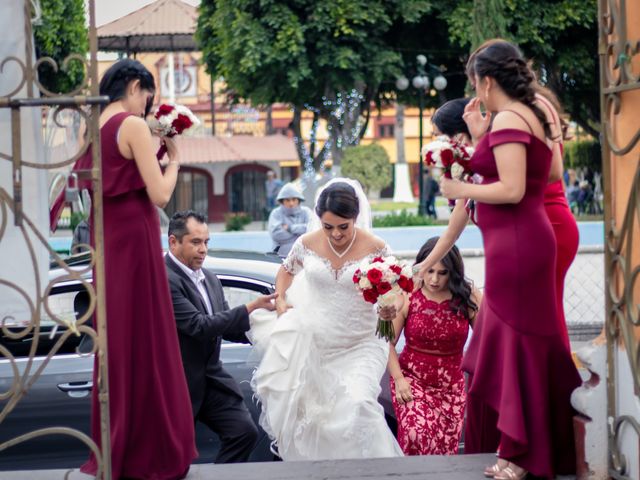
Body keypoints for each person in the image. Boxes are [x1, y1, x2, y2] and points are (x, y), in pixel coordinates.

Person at [436, 40, 581, 479]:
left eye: (473, 80)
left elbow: (513, 189)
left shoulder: (512, 117)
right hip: (525, 241)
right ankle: (551, 447)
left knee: (518, 346)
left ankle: (518, 456)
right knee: (534, 344)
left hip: (517, 246)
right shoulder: (532, 112)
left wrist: (460, 189)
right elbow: (552, 172)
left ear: (485, 80)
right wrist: (482, 138)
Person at [50, 59, 197, 479]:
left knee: (118, 346)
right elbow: (161, 195)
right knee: (147, 343)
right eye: (146, 93)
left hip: (107, 245)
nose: (148, 103)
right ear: (134, 86)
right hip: (134, 242)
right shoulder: (131, 126)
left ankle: (117, 450)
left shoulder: (91, 128)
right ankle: (151, 452)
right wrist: (175, 159)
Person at [248, 179, 404, 460]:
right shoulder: (306, 243)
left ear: (355, 218)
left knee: (359, 405)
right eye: (328, 227)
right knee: (318, 421)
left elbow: (396, 289)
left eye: (343, 227)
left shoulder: (377, 248)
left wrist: (390, 307)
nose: (335, 234)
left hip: (362, 344)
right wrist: (281, 297)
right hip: (317, 344)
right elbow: (286, 271)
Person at [165, 210, 278, 463]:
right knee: (171, 458)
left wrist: (270, 329)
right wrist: (251, 307)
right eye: (195, 242)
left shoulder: (210, 279)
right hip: (175, 385)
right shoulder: (164, 279)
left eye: (206, 242)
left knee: (243, 433)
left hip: (211, 382)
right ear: (174, 242)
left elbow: (226, 326)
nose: (203, 249)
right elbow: (198, 326)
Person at [388, 237, 480, 456]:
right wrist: (399, 379)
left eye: (442, 273)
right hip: (411, 381)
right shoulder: (408, 294)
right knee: (415, 434)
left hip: (451, 388)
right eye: (430, 271)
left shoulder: (467, 297)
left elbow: (489, 338)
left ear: (453, 272)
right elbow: (386, 342)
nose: (434, 279)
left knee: (442, 452)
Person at [268, 183, 313, 257]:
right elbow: (276, 234)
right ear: (282, 201)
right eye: (287, 200)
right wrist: (300, 234)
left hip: (304, 257)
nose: (291, 203)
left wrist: (290, 228)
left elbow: (312, 230)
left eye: (294, 199)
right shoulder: (276, 213)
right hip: (281, 257)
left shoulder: (306, 212)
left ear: (298, 200)